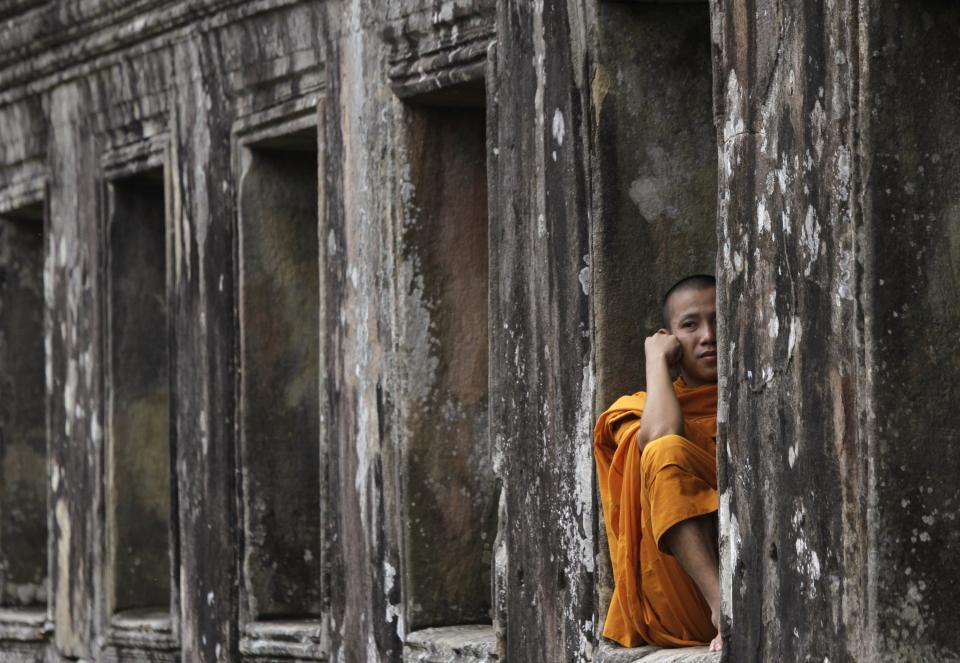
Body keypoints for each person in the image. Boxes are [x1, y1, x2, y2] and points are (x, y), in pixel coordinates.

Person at [594, 274, 722, 652]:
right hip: (684, 603)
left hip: (757, 587)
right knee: (664, 452)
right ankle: (721, 607)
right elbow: (662, 436)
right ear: (670, 338)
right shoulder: (635, 410)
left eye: (718, 320)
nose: (708, 335)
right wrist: (656, 362)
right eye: (690, 325)